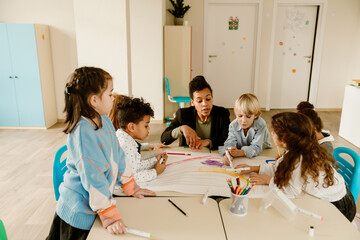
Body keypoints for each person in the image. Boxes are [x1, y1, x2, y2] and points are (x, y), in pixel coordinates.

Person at [46, 67, 155, 239]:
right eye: (110, 94)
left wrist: (131, 187)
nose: (113, 98)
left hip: (94, 204)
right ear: (94, 100)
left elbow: (118, 155)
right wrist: (110, 217)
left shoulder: (104, 120)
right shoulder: (83, 132)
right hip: (78, 211)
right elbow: (93, 176)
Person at [235, 112, 356, 221]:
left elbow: (292, 189)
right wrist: (253, 168)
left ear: (285, 141)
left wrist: (269, 180)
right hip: (331, 194)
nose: (271, 134)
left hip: (338, 207)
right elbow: (278, 167)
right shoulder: (295, 149)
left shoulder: (301, 160)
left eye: (275, 132)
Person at [161, 75, 230, 150]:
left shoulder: (222, 113)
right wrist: (181, 129)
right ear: (192, 102)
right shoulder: (183, 114)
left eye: (208, 99)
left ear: (212, 98)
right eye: (199, 101)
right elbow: (164, 139)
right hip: (190, 156)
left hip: (213, 157)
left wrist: (208, 142)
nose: (205, 104)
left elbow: (228, 139)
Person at [110, 95, 168, 183]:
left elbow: (136, 165)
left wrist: (154, 159)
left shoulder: (125, 138)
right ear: (131, 127)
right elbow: (130, 177)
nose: (149, 129)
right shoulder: (125, 145)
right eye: (146, 126)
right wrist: (156, 172)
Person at [222, 93, 272, 165]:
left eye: (248, 116)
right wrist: (228, 153)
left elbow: (257, 147)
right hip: (244, 148)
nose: (243, 120)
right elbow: (230, 142)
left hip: (263, 149)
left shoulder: (261, 124)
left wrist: (241, 152)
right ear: (235, 114)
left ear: (255, 115)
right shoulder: (233, 125)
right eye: (240, 116)